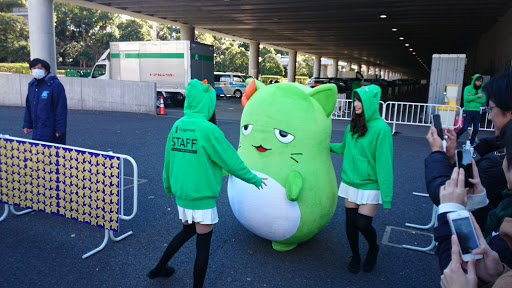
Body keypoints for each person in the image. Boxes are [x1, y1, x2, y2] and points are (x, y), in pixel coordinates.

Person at [147, 79, 266, 288]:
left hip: (182, 195)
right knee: (203, 246)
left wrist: (168, 187)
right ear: (208, 104)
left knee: (187, 231)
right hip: (202, 198)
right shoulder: (208, 130)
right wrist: (253, 179)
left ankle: (159, 269)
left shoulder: (177, 125)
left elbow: (168, 160)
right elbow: (231, 161)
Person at [330, 85, 393, 273]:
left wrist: (387, 196)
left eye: (359, 101)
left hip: (371, 184)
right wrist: (323, 145)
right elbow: (343, 148)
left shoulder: (382, 129)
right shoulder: (353, 125)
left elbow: (384, 164)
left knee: (362, 223)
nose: (356, 104)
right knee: (350, 224)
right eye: (354, 100)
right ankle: (355, 255)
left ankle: (373, 248)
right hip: (350, 182)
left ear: (370, 103)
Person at [23, 58, 68, 145]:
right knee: (38, 153)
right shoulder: (32, 85)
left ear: (46, 71)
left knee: (53, 155)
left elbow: (61, 109)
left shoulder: (55, 85)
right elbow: (29, 106)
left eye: (39, 68)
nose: (36, 71)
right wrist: (27, 124)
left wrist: (60, 129)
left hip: (51, 129)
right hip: (37, 128)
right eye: (34, 68)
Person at [456, 74, 486, 145]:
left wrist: (472, 97)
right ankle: (455, 138)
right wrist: (477, 96)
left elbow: (482, 101)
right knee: (465, 127)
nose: (479, 83)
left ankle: (472, 142)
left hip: (477, 111)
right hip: (468, 110)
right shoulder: (467, 88)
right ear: (474, 81)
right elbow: (466, 98)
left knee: (476, 128)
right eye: (478, 81)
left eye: (481, 81)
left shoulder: (482, 90)